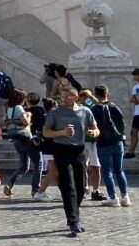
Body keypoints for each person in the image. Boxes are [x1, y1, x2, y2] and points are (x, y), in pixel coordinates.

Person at [42, 86, 98, 236]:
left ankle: (74, 211)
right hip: (61, 148)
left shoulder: (85, 111)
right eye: (62, 96)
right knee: (68, 185)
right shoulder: (54, 112)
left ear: (76, 97)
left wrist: (93, 132)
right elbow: (46, 132)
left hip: (79, 149)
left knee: (80, 187)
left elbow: (95, 128)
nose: (64, 99)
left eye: (68, 97)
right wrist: (62, 132)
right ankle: (73, 221)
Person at [90, 85, 130, 208]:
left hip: (103, 142)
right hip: (118, 142)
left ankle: (112, 197)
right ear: (108, 93)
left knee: (107, 171)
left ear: (96, 95)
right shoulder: (114, 107)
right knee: (119, 170)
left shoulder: (95, 109)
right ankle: (125, 196)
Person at [1, 92, 39, 198]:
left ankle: (9, 184)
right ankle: (35, 189)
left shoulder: (10, 109)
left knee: (24, 166)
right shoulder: (19, 108)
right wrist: (29, 116)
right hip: (26, 137)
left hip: (16, 138)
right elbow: (26, 122)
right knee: (38, 164)